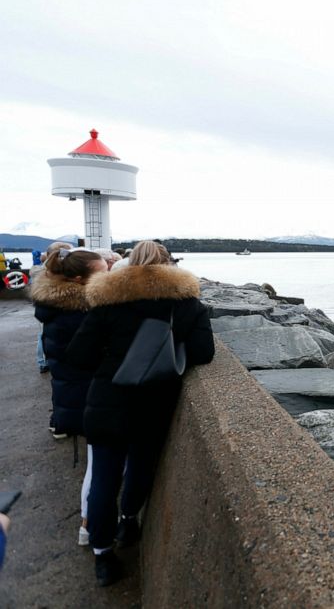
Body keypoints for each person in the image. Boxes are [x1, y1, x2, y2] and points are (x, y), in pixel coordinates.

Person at [67, 240, 214, 586]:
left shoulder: (107, 300)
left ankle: (102, 556)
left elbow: (78, 356)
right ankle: (128, 521)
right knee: (140, 468)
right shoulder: (187, 304)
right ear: (170, 266)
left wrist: (113, 358)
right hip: (153, 405)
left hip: (107, 401)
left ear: (130, 264)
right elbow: (203, 353)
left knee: (103, 479)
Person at [31, 247, 109, 547]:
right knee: (99, 468)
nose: (110, 278)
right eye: (104, 273)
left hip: (73, 397)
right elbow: (94, 356)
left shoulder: (56, 309)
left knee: (97, 466)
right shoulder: (79, 315)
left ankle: (91, 527)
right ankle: (90, 529)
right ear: (79, 280)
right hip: (89, 399)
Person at [34, 242, 73, 376]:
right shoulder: (67, 274)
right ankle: (43, 362)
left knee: (44, 335)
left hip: (47, 315)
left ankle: (43, 362)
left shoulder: (41, 274)